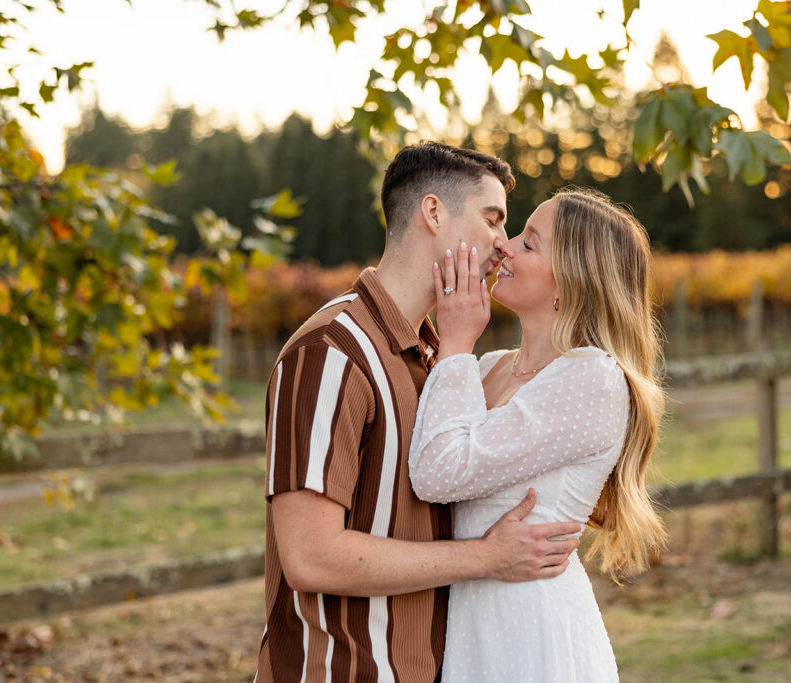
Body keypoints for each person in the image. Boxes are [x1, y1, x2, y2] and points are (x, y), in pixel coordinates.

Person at [255, 142, 585, 683]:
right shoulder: (331, 353)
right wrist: (486, 557)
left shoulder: (440, 360)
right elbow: (309, 557)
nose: (502, 243)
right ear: (433, 213)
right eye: (492, 219)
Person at [409, 188, 667, 682]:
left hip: (529, 629)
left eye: (529, 243)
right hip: (467, 623)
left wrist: (457, 338)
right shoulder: (486, 369)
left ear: (569, 283)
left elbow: (436, 475)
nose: (504, 246)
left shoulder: (592, 380)